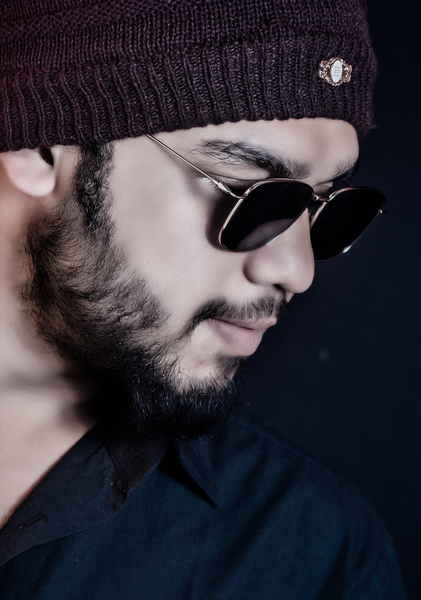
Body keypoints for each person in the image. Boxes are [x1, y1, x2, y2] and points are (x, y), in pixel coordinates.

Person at [0, 0, 407, 598]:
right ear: (39, 147)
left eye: (326, 208)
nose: (295, 270)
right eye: (251, 193)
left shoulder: (313, 559)